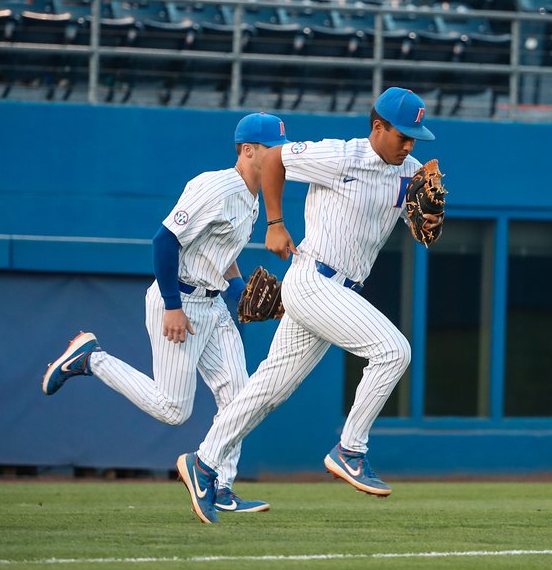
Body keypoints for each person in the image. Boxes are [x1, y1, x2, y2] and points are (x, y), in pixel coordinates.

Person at [176, 87, 441, 524]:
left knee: (268, 391)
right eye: (403, 135)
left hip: (340, 291)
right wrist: (275, 224)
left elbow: (418, 224)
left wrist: (426, 223)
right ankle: (350, 449)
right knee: (394, 351)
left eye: (416, 137)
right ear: (378, 127)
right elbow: (276, 159)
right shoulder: (340, 156)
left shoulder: (409, 172)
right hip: (313, 279)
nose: (410, 144)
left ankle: (203, 463)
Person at [41, 113, 291, 515]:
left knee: (240, 397)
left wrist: (242, 291)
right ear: (247, 150)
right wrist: (173, 306)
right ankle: (91, 359)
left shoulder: (255, 196)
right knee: (174, 410)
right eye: (272, 149)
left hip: (213, 303)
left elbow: (223, 254)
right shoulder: (216, 186)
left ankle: (221, 486)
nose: (279, 156)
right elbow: (163, 241)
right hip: (181, 300)